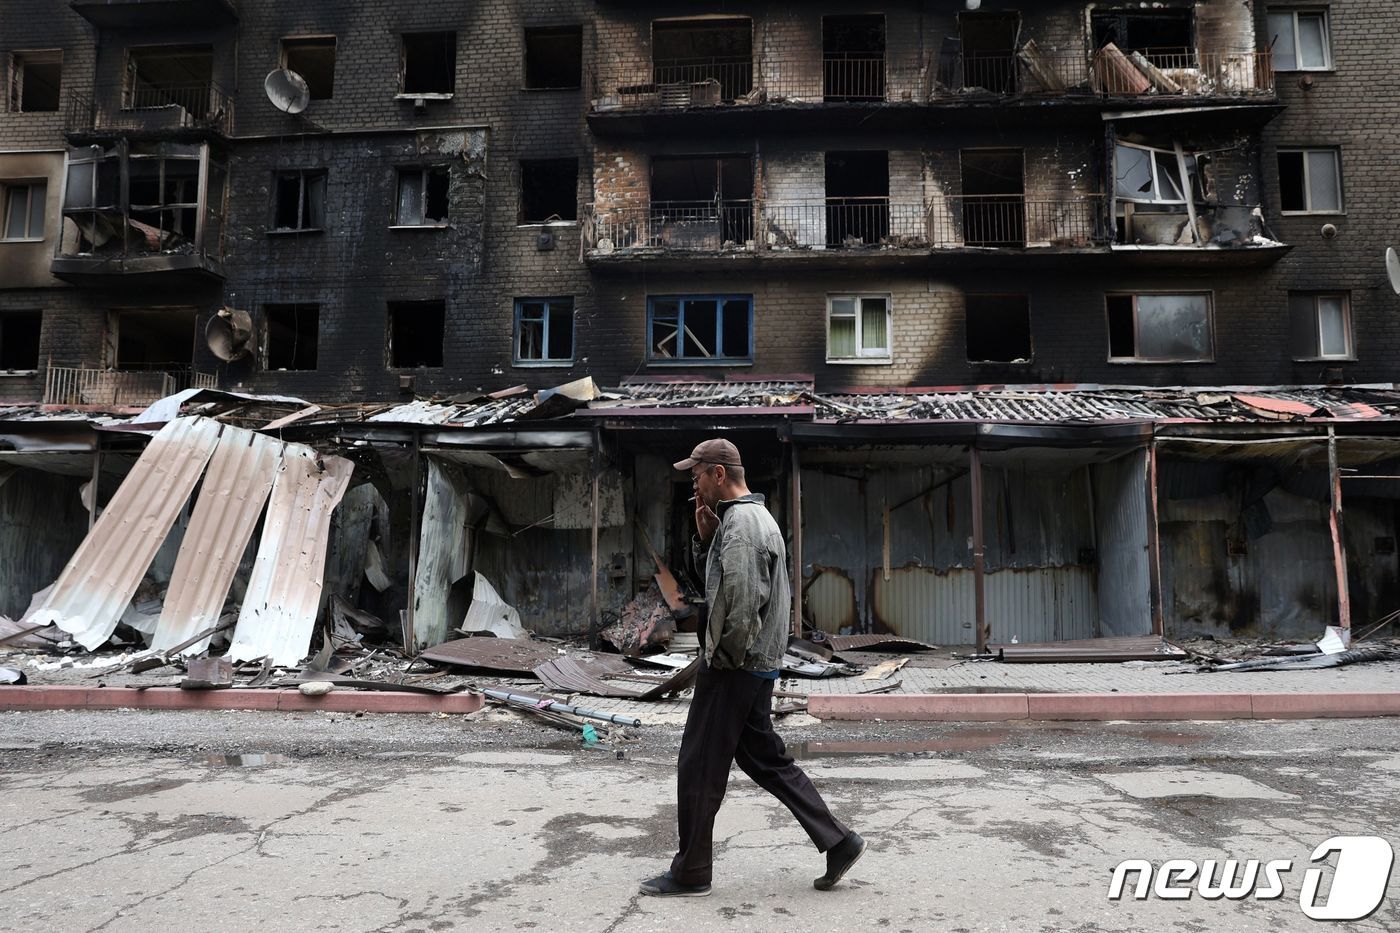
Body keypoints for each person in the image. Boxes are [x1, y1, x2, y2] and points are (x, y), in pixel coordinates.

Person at [639, 438, 865, 898]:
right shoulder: (753, 518)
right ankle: (838, 841)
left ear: (718, 475)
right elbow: (730, 587)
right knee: (763, 758)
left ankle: (692, 871)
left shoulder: (741, 524)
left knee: (699, 765)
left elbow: (740, 605)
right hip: (759, 662)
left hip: (736, 664)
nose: (694, 485)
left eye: (697, 475)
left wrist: (722, 662)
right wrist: (706, 541)